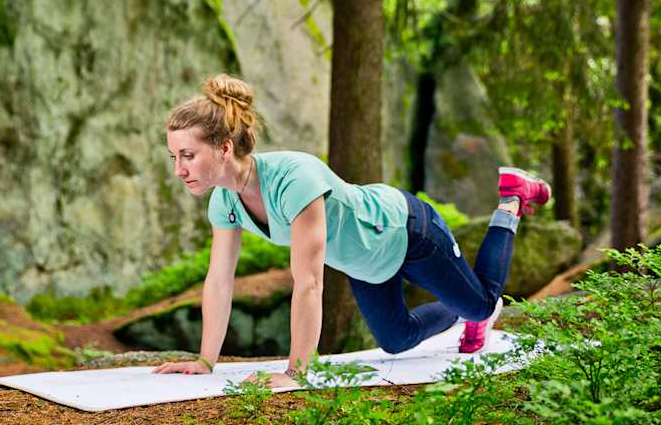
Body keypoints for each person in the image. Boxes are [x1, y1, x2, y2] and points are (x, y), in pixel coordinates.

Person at [153, 74, 550, 387]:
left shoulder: (295, 180)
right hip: (368, 263)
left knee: (482, 303)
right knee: (396, 341)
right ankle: (464, 314)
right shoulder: (224, 201)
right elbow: (219, 281)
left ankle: (511, 200)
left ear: (224, 148)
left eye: (188, 155)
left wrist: (296, 372)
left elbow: (308, 282)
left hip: (407, 231)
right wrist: (205, 361)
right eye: (174, 157)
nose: (179, 169)